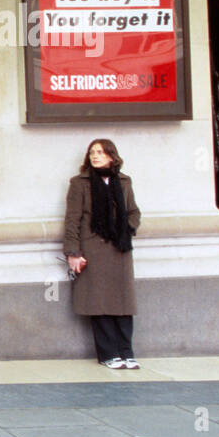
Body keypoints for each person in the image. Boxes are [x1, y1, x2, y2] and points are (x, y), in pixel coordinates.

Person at [63, 138, 141, 369]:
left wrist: (126, 229)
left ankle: (127, 352)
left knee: (123, 302)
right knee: (99, 303)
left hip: (120, 249)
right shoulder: (79, 183)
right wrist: (72, 252)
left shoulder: (124, 181)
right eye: (92, 152)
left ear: (111, 156)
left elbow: (134, 212)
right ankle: (108, 354)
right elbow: (72, 219)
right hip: (93, 250)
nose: (95, 156)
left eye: (100, 152)